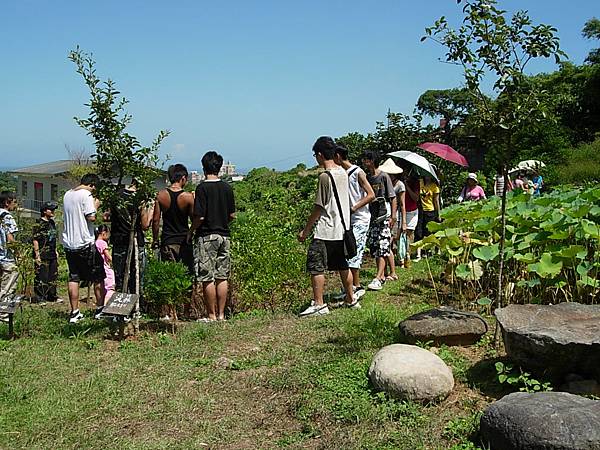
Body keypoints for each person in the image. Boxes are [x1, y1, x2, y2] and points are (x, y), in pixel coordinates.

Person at [298, 137, 358, 317]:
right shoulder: (342, 172)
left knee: (316, 265)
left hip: (325, 228)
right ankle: (350, 298)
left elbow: (319, 206)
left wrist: (306, 230)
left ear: (319, 154)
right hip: (342, 228)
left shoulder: (325, 176)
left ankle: (319, 304)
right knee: (342, 264)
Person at [190, 151, 236, 322]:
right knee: (222, 276)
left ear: (204, 168)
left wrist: (191, 231)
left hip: (207, 236)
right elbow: (232, 215)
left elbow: (199, 216)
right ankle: (222, 315)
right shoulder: (227, 188)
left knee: (207, 276)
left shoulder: (201, 188)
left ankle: (211, 315)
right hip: (225, 236)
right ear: (220, 167)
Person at [332, 145, 375, 302]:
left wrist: (354, 208)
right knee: (348, 252)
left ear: (338, 156)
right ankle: (349, 288)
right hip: (348, 220)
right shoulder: (342, 174)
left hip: (360, 218)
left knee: (354, 254)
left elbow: (371, 195)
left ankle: (356, 287)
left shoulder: (357, 172)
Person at [61, 174, 106, 324]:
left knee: (74, 277)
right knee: (98, 276)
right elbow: (91, 217)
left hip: (69, 244)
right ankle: (100, 309)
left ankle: (74, 312)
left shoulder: (67, 194)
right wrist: (96, 206)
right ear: (92, 185)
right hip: (84, 243)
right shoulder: (86, 195)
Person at [107, 181, 153, 297]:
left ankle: (120, 301)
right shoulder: (140, 198)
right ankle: (136, 304)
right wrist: (151, 210)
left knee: (120, 276)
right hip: (136, 240)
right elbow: (145, 225)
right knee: (136, 276)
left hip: (118, 240)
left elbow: (107, 216)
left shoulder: (116, 196)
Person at [362, 152, 397, 291]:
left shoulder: (383, 176)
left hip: (383, 216)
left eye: (366, 159)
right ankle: (381, 275)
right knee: (375, 247)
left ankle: (378, 277)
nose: (364, 162)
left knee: (383, 246)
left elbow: (392, 196)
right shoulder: (367, 177)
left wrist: (393, 215)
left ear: (372, 161)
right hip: (372, 217)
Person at [152, 164, 194, 269]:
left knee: (168, 275)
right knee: (185, 275)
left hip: (167, 240)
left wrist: (155, 240)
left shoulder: (160, 195)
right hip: (184, 241)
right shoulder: (188, 197)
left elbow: (156, 220)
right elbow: (194, 219)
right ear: (183, 178)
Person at [379, 159, 405, 275]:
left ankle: (392, 272)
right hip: (384, 215)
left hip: (394, 216)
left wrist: (403, 222)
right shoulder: (383, 183)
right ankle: (385, 271)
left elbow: (402, 205)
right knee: (384, 245)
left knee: (388, 244)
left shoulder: (399, 185)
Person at [32, 201, 60, 303]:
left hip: (52, 252)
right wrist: (37, 254)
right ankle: (40, 297)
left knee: (53, 275)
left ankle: (52, 296)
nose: (53, 211)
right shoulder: (39, 223)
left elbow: (53, 238)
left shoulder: (52, 222)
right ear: (44, 211)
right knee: (42, 275)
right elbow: (35, 240)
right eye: (51, 209)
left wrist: (56, 250)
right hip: (42, 253)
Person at [0, 192, 18, 322]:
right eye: (14, 202)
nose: (15, 205)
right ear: (7, 202)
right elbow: (10, 237)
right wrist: (18, 252)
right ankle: (4, 314)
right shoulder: (7, 217)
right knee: (8, 287)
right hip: (7, 258)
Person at [95, 225, 115, 305]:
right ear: (104, 233)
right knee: (110, 287)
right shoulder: (103, 243)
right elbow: (107, 255)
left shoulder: (95, 242)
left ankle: (101, 303)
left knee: (103, 286)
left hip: (98, 267)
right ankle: (106, 304)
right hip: (106, 267)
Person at [403, 171, 420, 266]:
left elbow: (416, 198)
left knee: (410, 233)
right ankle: (402, 255)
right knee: (401, 233)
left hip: (412, 211)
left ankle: (408, 254)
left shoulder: (415, 183)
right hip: (402, 211)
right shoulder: (399, 182)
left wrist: (407, 186)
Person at [419, 175, 440, 239]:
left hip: (430, 211)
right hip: (420, 210)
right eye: (426, 176)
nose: (427, 177)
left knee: (428, 231)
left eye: (429, 176)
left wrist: (438, 214)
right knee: (419, 231)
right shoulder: (420, 183)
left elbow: (436, 201)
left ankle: (427, 247)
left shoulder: (434, 187)